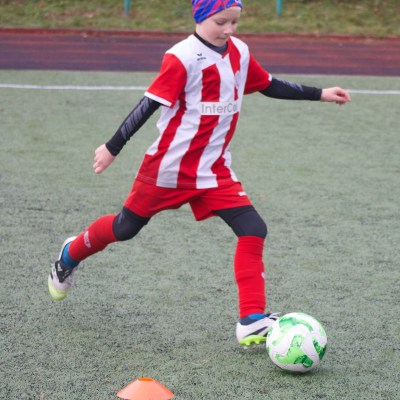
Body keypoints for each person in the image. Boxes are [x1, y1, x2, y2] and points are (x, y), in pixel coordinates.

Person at [48, 0, 351, 347]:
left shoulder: (239, 52)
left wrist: (321, 94)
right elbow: (148, 105)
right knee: (125, 228)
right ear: (201, 16)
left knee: (253, 228)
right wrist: (112, 147)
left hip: (214, 169)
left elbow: (268, 84)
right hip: (169, 168)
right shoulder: (182, 57)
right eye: (222, 22)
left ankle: (251, 319)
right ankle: (69, 256)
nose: (229, 30)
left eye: (235, 22)